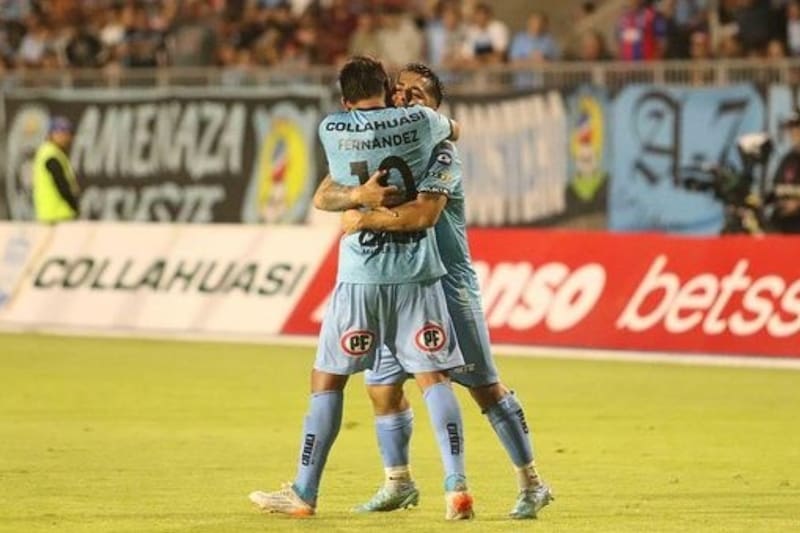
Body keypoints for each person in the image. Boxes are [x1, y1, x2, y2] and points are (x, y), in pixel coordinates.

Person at [315, 63, 553, 520]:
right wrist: (351, 197)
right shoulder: (386, 144)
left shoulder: (441, 153)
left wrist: (360, 216)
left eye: (417, 94)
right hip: (397, 282)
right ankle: (398, 482)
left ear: (434, 108)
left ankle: (532, 482)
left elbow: (422, 216)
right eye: (399, 91)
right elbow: (326, 190)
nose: (404, 99)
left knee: (483, 387)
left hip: (446, 285)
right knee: (381, 388)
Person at [249, 56, 474, 520]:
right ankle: (456, 486)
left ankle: (304, 493)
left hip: (361, 274)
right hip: (418, 272)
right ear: (387, 87)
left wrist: (357, 197)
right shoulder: (422, 120)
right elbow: (454, 128)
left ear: (345, 98)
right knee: (433, 377)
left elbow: (327, 195)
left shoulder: (333, 128)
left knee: (327, 379)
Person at [33, 116, 80, 223]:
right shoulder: (51, 155)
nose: (65, 137)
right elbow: (61, 184)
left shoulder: (47, 152)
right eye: (60, 133)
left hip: (49, 215)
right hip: (58, 216)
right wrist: (74, 206)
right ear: (51, 134)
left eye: (67, 133)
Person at [770, 110, 800, 233]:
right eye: (791, 127)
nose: (794, 132)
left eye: (797, 126)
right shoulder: (788, 159)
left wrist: (797, 204)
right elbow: (777, 187)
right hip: (785, 225)